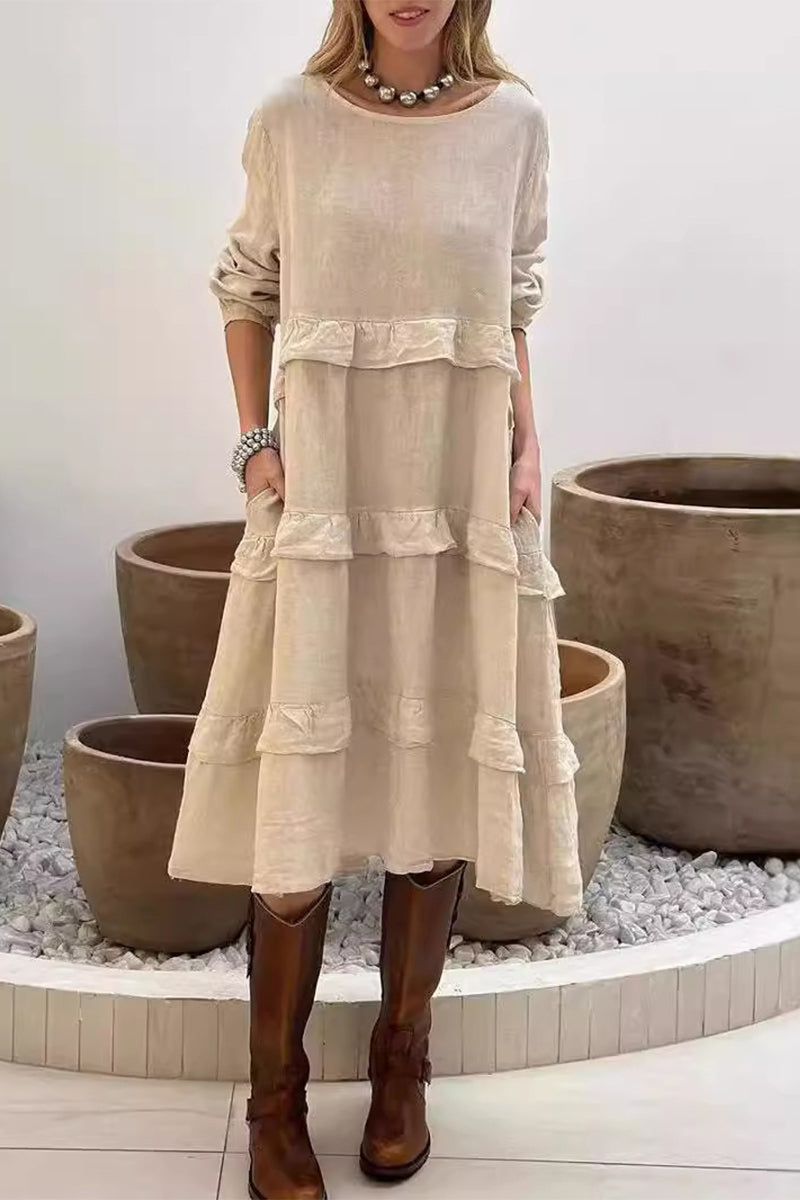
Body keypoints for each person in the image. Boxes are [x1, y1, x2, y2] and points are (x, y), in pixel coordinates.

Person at [168, 2, 582, 1197]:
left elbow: (510, 304)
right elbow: (246, 285)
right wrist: (253, 446)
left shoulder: (513, 125)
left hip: (457, 487)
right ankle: (275, 1100)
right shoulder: (291, 119)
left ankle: (403, 1064)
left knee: (436, 759)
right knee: (298, 792)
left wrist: (524, 444)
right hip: (327, 488)